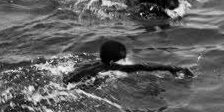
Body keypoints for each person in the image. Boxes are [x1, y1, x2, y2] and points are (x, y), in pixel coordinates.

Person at [65, 39, 193, 84]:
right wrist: (171, 68)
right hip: (78, 86)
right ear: (114, 61)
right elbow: (144, 67)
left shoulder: (93, 63)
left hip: (69, 77)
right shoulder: (115, 68)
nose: (126, 60)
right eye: (123, 58)